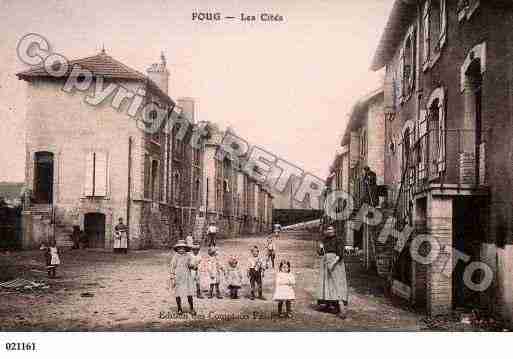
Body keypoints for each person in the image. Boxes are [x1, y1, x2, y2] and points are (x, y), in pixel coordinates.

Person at [317, 226, 349, 319]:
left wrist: (333, 263)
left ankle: (339, 305)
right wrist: (320, 248)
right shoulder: (324, 240)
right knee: (326, 284)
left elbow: (340, 254)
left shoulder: (338, 240)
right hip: (325, 263)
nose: (329, 231)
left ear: (334, 230)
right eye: (328, 230)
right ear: (326, 231)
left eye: (331, 229)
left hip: (336, 264)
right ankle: (328, 304)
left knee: (336, 284)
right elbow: (320, 253)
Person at [169, 239, 196, 315]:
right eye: (179, 248)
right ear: (177, 249)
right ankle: (179, 308)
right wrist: (172, 277)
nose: (181, 250)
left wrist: (193, 265)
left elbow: (192, 264)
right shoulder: (175, 257)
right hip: (178, 277)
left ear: (186, 249)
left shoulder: (189, 256)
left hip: (187, 276)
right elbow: (172, 267)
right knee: (178, 293)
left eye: (183, 248)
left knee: (189, 292)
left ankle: (191, 308)